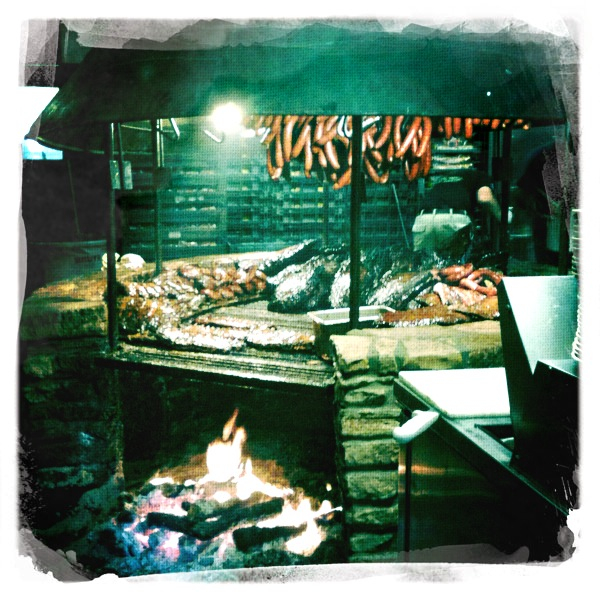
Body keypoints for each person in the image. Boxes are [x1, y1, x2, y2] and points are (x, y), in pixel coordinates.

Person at [412, 169, 501, 258]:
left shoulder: (443, 179)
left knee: (424, 263)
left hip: (423, 219)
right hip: (452, 219)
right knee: (456, 264)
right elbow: (484, 198)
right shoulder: (481, 175)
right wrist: (502, 216)